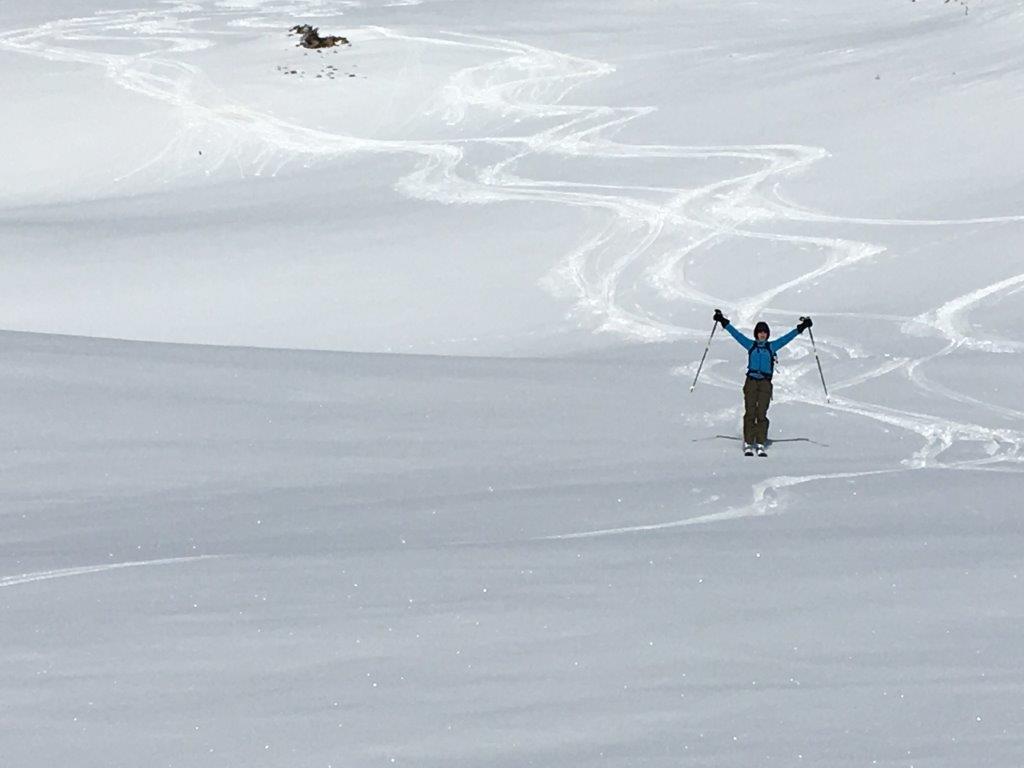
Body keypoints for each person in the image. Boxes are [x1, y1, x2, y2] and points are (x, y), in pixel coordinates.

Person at [712, 309, 812, 456]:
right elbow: (736, 335)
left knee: (762, 413)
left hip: (765, 383)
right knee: (750, 411)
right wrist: (723, 321)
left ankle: (760, 442)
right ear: (756, 334)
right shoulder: (750, 345)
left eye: (765, 332)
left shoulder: (771, 347)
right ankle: (748, 442)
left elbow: (786, 338)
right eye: (760, 332)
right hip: (751, 381)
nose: (762, 334)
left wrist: (802, 327)